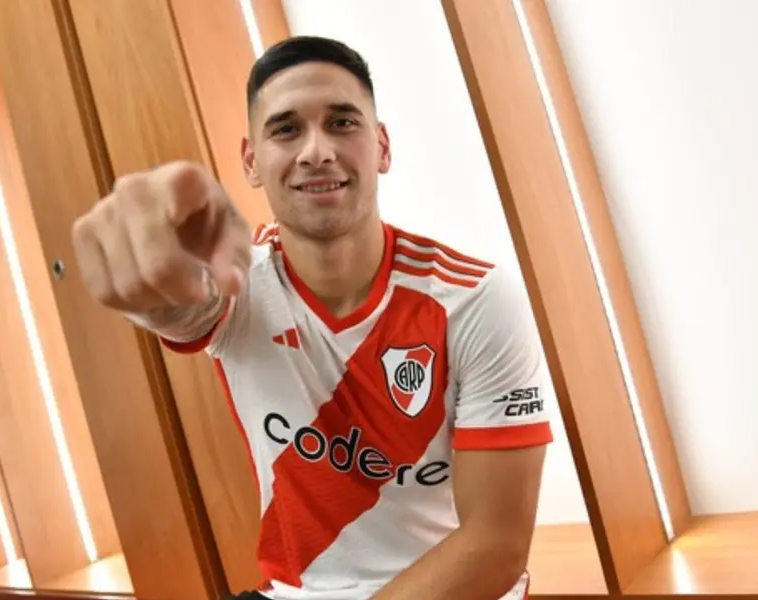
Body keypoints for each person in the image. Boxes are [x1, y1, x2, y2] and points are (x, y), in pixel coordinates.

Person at [71, 35, 554, 600]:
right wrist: (147, 276)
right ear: (252, 161)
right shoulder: (240, 282)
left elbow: (495, 546)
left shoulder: (475, 299)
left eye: (341, 123)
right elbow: (185, 305)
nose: (316, 151)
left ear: (381, 148)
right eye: (286, 129)